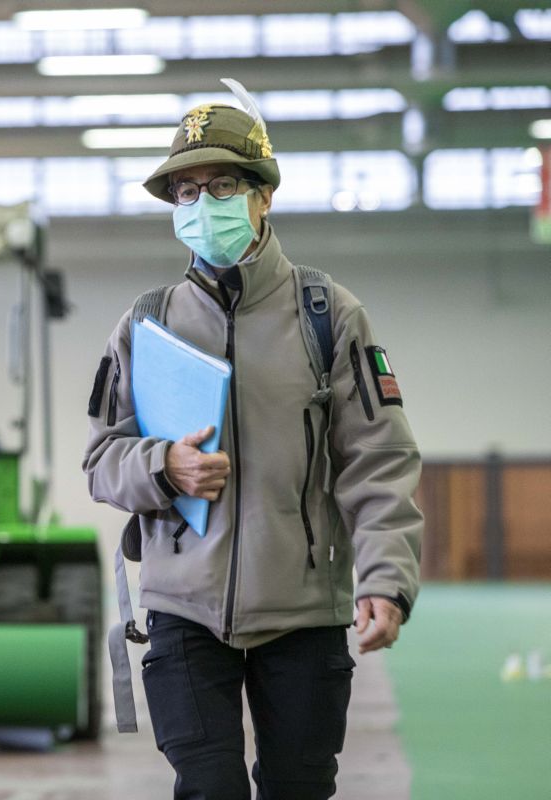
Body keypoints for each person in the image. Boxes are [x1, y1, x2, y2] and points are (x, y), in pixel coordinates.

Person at [82, 91, 422, 799]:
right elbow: (102, 458)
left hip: (301, 611)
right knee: (210, 790)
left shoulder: (327, 314)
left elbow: (378, 460)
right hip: (183, 608)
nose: (202, 203)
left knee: (298, 787)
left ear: (263, 197)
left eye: (223, 186)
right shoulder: (147, 325)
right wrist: (162, 465)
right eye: (186, 190)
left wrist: (386, 578)